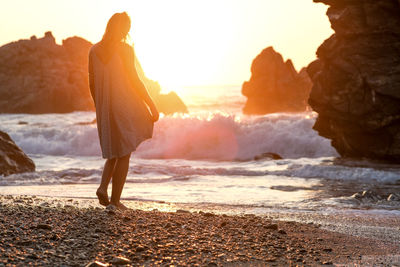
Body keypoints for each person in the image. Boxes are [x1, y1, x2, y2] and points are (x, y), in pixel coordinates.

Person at [88, 12, 159, 210]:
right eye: (127, 26)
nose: (128, 31)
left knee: (114, 149)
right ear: (122, 28)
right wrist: (151, 103)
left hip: (104, 106)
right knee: (124, 152)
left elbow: (91, 83)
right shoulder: (125, 49)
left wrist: (99, 106)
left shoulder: (93, 51)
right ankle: (115, 200)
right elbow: (135, 80)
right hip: (124, 104)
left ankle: (103, 188)